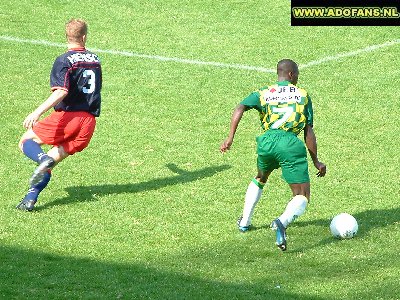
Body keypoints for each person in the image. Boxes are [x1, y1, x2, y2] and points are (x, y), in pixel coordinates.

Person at [220, 59, 326, 251]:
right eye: (298, 76)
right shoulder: (303, 95)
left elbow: (240, 107)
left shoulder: (264, 93)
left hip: (266, 142)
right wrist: (316, 161)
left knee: (261, 176)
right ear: (292, 75)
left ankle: (244, 221)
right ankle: (281, 222)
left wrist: (230, 138)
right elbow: (308, 131)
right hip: (289, 144)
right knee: (302, 196)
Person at [16, 18, 102, 211]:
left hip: (69, 118)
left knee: (25, 142)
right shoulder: (95, 59)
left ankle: (41, 158)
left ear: (66, 36)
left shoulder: (64, 60)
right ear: (84, 37)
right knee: (50, 162)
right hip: (88, 123)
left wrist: (37, 112)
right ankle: (30, 199)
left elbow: (61, 91)